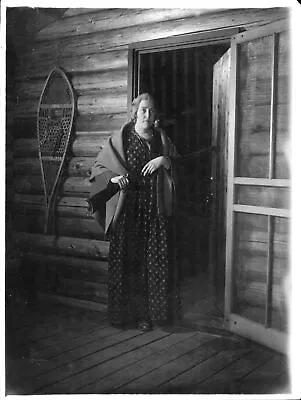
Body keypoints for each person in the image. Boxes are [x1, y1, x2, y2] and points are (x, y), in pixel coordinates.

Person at [88, 93, 180, 331]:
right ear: (134, 112)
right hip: (128, 211)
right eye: (143, 111)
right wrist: (114, 179)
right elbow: (99, 168)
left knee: (153, 264)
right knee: (129, 263)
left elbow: (180, 166)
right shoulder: (122, 139)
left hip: (154, 210)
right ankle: (125, 316)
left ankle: (151, 316)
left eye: (151, 111)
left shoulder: (162, 139)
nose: (147, 115)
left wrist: (164, 161)